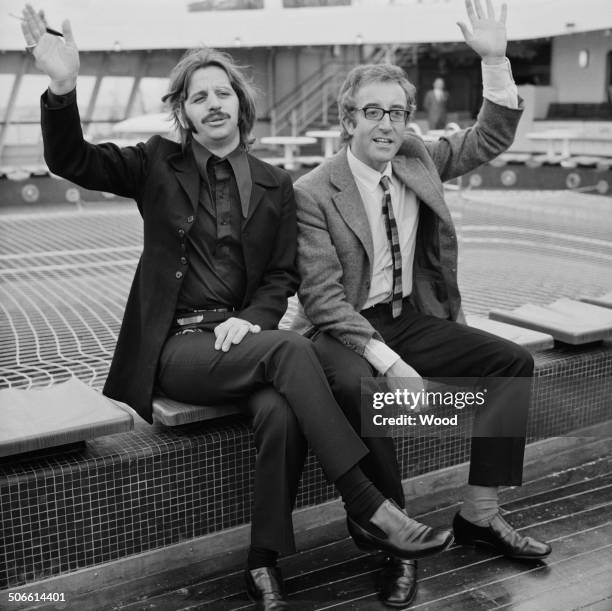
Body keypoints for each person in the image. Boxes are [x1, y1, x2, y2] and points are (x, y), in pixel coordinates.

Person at [21, 4, 454, 609]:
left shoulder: (277, 184)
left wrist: (248, 322)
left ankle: (263, 562)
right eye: (199, 97)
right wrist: (62, 87)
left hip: (244, 345)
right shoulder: (153, 164)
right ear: (185, 113)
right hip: (178, 348)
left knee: (280, 411)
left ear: (241, 105)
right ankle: (368, 503)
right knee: (295, 349)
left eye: (223, 92)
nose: (214, 103)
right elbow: (73, 161)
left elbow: (278, 279)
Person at [292, 0, 552, 607]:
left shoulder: (418, 156)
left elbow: (490, 135)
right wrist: (390, 363)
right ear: (347, 122)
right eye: (374, 112)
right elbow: (324, 300)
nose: (388, 124)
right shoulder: (312, 192)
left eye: (398, 112)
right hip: (347, 330)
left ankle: (479, 516)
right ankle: (396, 542)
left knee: (511, 365)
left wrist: (494, 61)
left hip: (411, 315)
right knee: (375, 398)